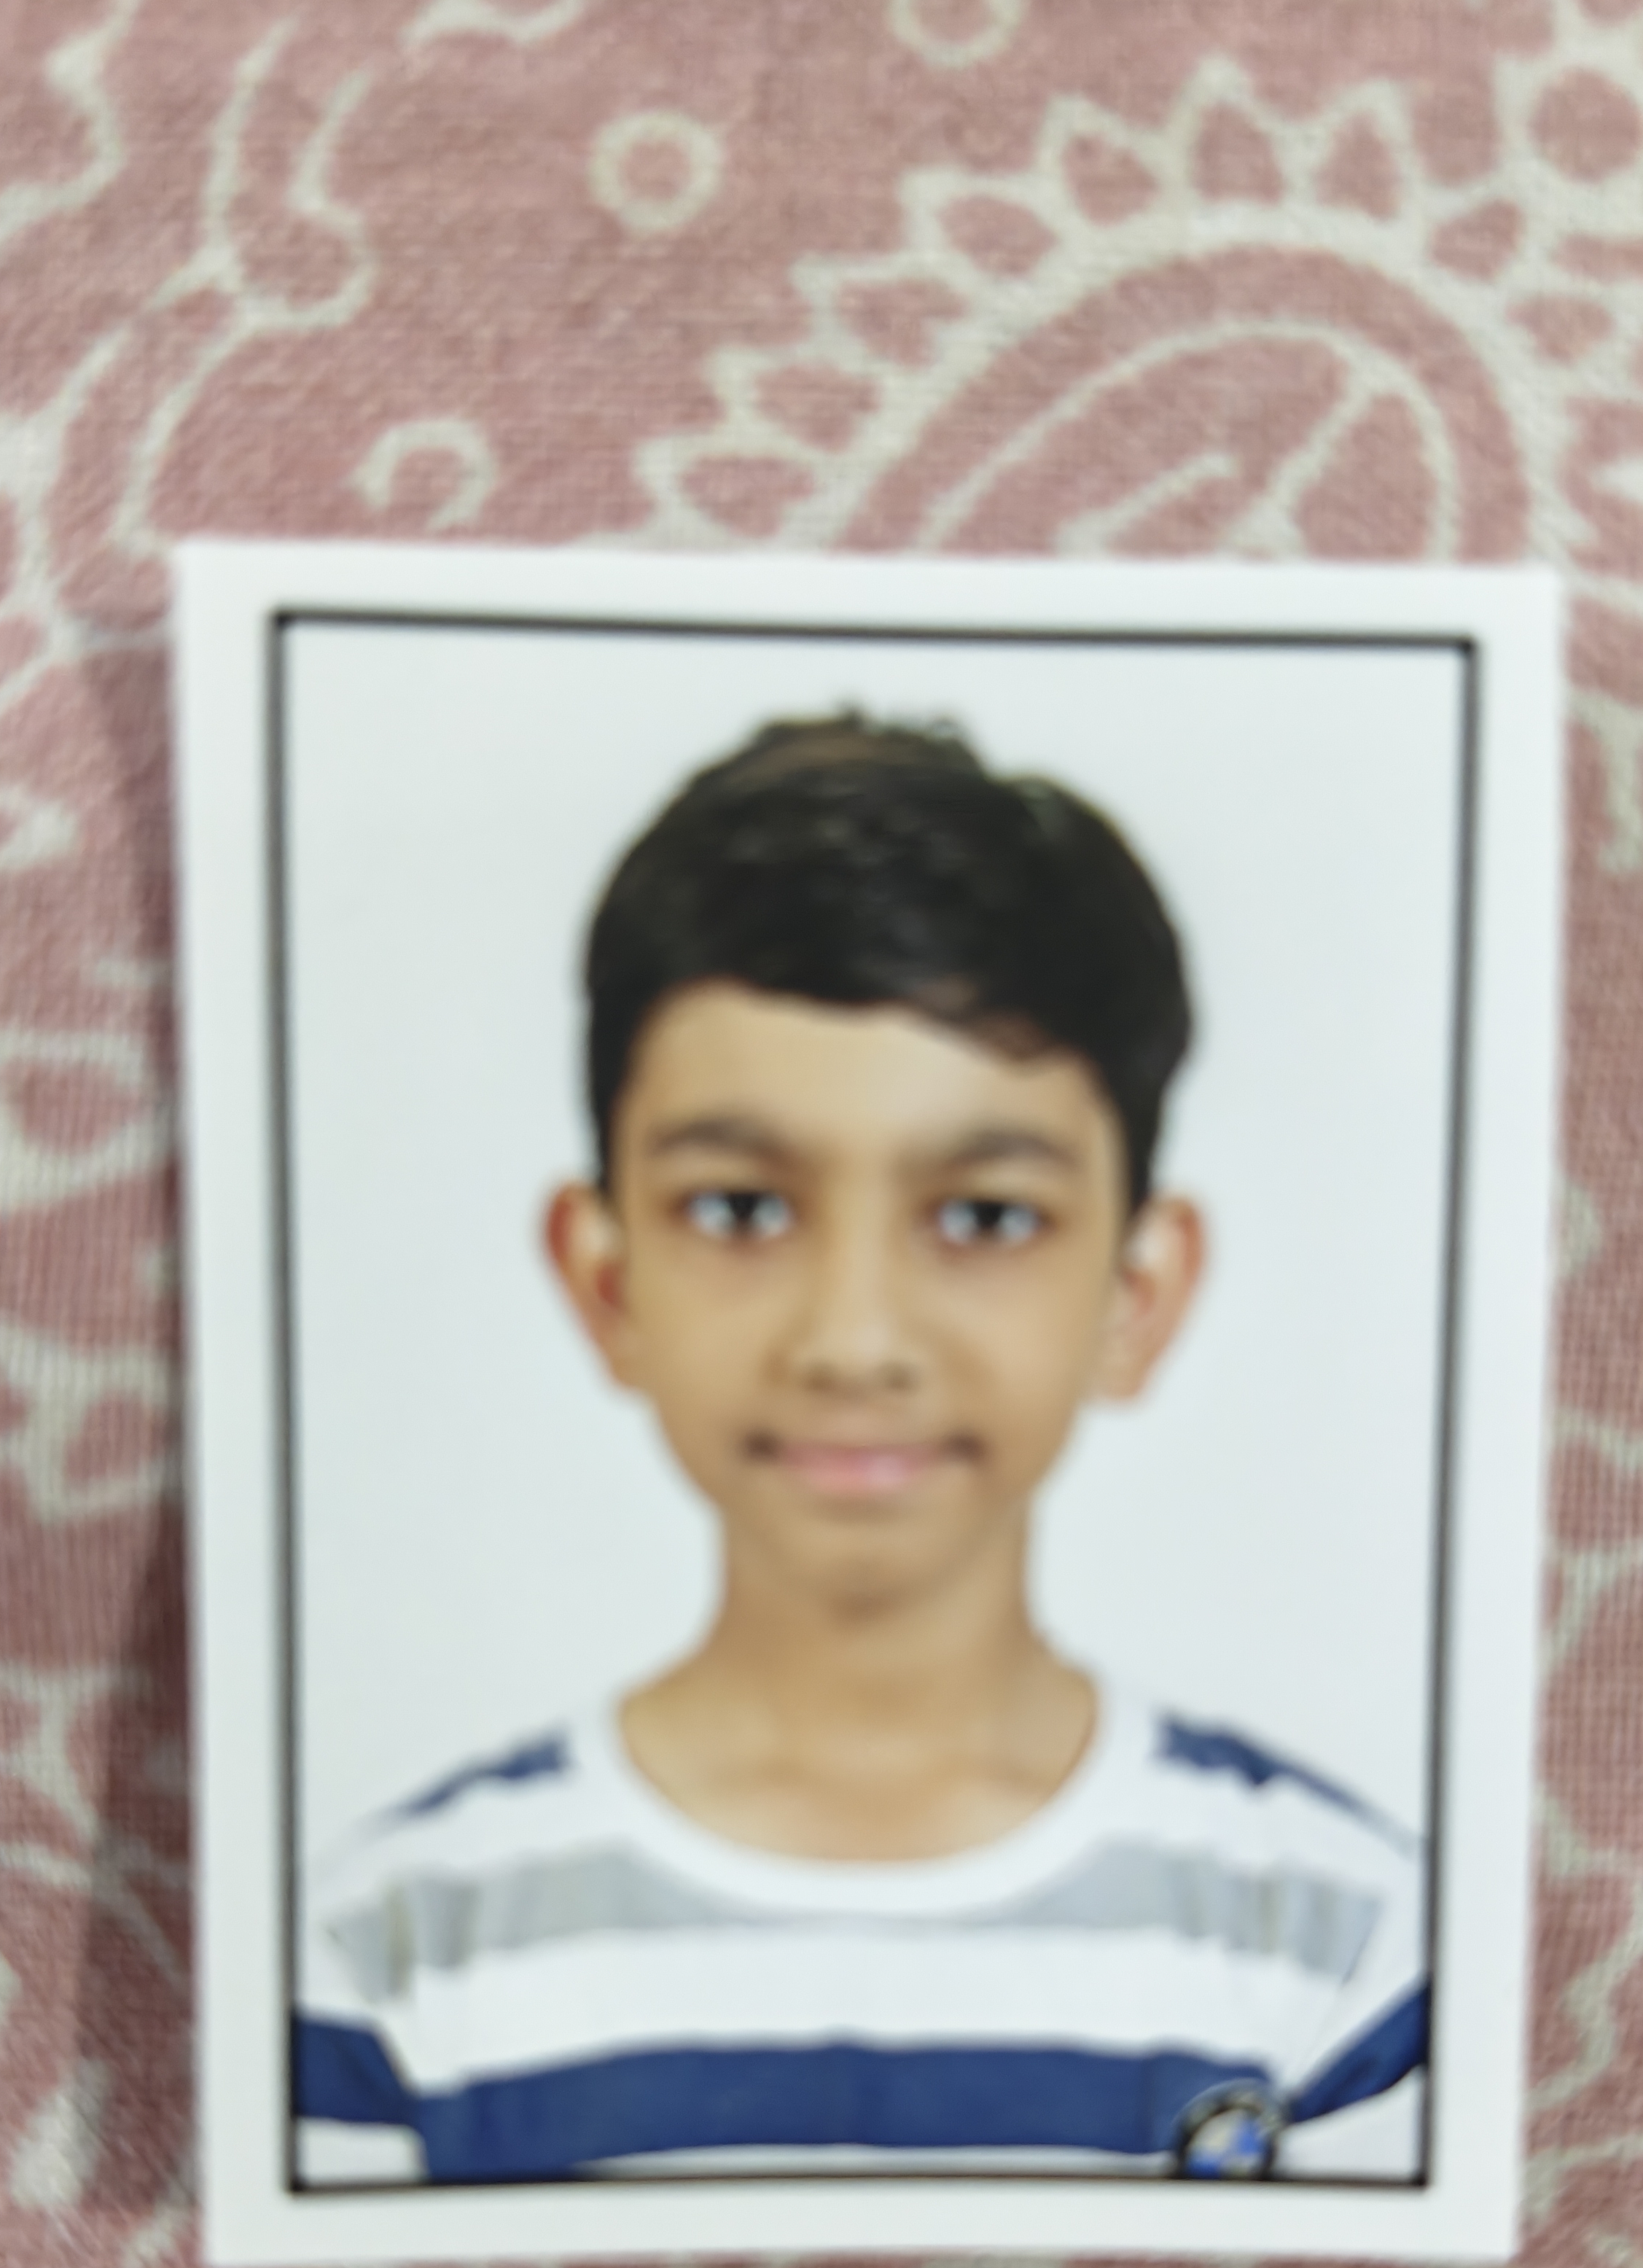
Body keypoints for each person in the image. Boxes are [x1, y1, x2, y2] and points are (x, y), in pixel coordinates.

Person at [297, 713, 1427, 2186]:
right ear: (606, 1280)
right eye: (743, 1209)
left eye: (984, 1217)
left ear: (1138, 1294)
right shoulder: (384, 1955)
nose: (854, 1339)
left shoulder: (1345, 1943)